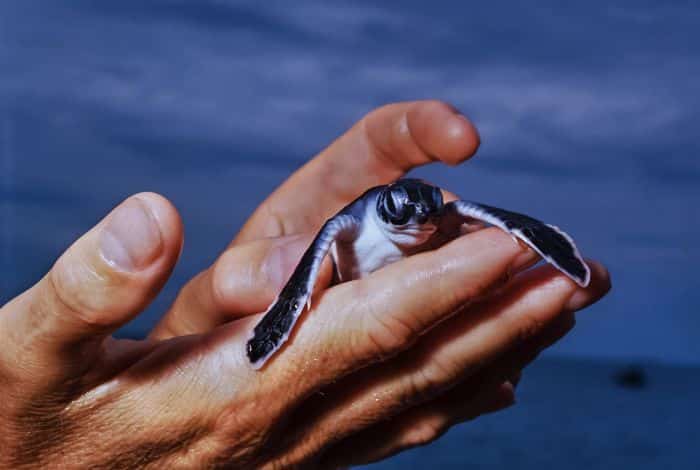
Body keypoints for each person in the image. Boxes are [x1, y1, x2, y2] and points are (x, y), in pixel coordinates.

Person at [0, 100, 610, 468]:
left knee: (485, 228)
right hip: (348, 280)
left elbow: (472, 216)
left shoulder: (437, 215)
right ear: (384, 207)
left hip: (393, 294)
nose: (420, 222)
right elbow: (320, 252)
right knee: (306, 263)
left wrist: (178, 357)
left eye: (427, 215)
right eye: (407, 212)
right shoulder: (353, 219)